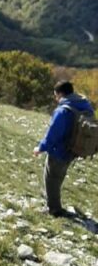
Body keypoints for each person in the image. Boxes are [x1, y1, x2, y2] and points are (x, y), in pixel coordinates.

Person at [34, 81, 94, 217]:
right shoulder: (85, 105)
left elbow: (53, 134)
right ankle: (52, 202)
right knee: (58, 176)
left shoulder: (63, 110)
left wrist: (41, 147)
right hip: (74, 149)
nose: (56, 99)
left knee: (51, 179)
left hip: (59, 151)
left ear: (60, 94)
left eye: (56, 96)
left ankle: (54, 209)